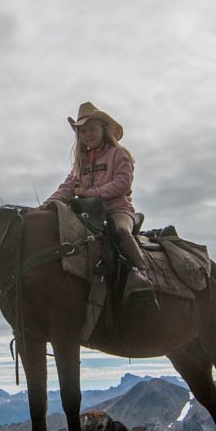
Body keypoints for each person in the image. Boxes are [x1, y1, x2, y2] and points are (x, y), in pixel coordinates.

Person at [42, 101, 155, 302]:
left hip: (117, 210)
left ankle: (141, 273)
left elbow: (122, 183)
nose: (88, 134)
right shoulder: (81, 162)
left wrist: (90, 192)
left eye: (92, 129)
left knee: (120, 230)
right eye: (83, 131)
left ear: (104, 130)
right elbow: (66, 188)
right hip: (89, 215)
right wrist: (43, 208)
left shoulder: (118, 154)